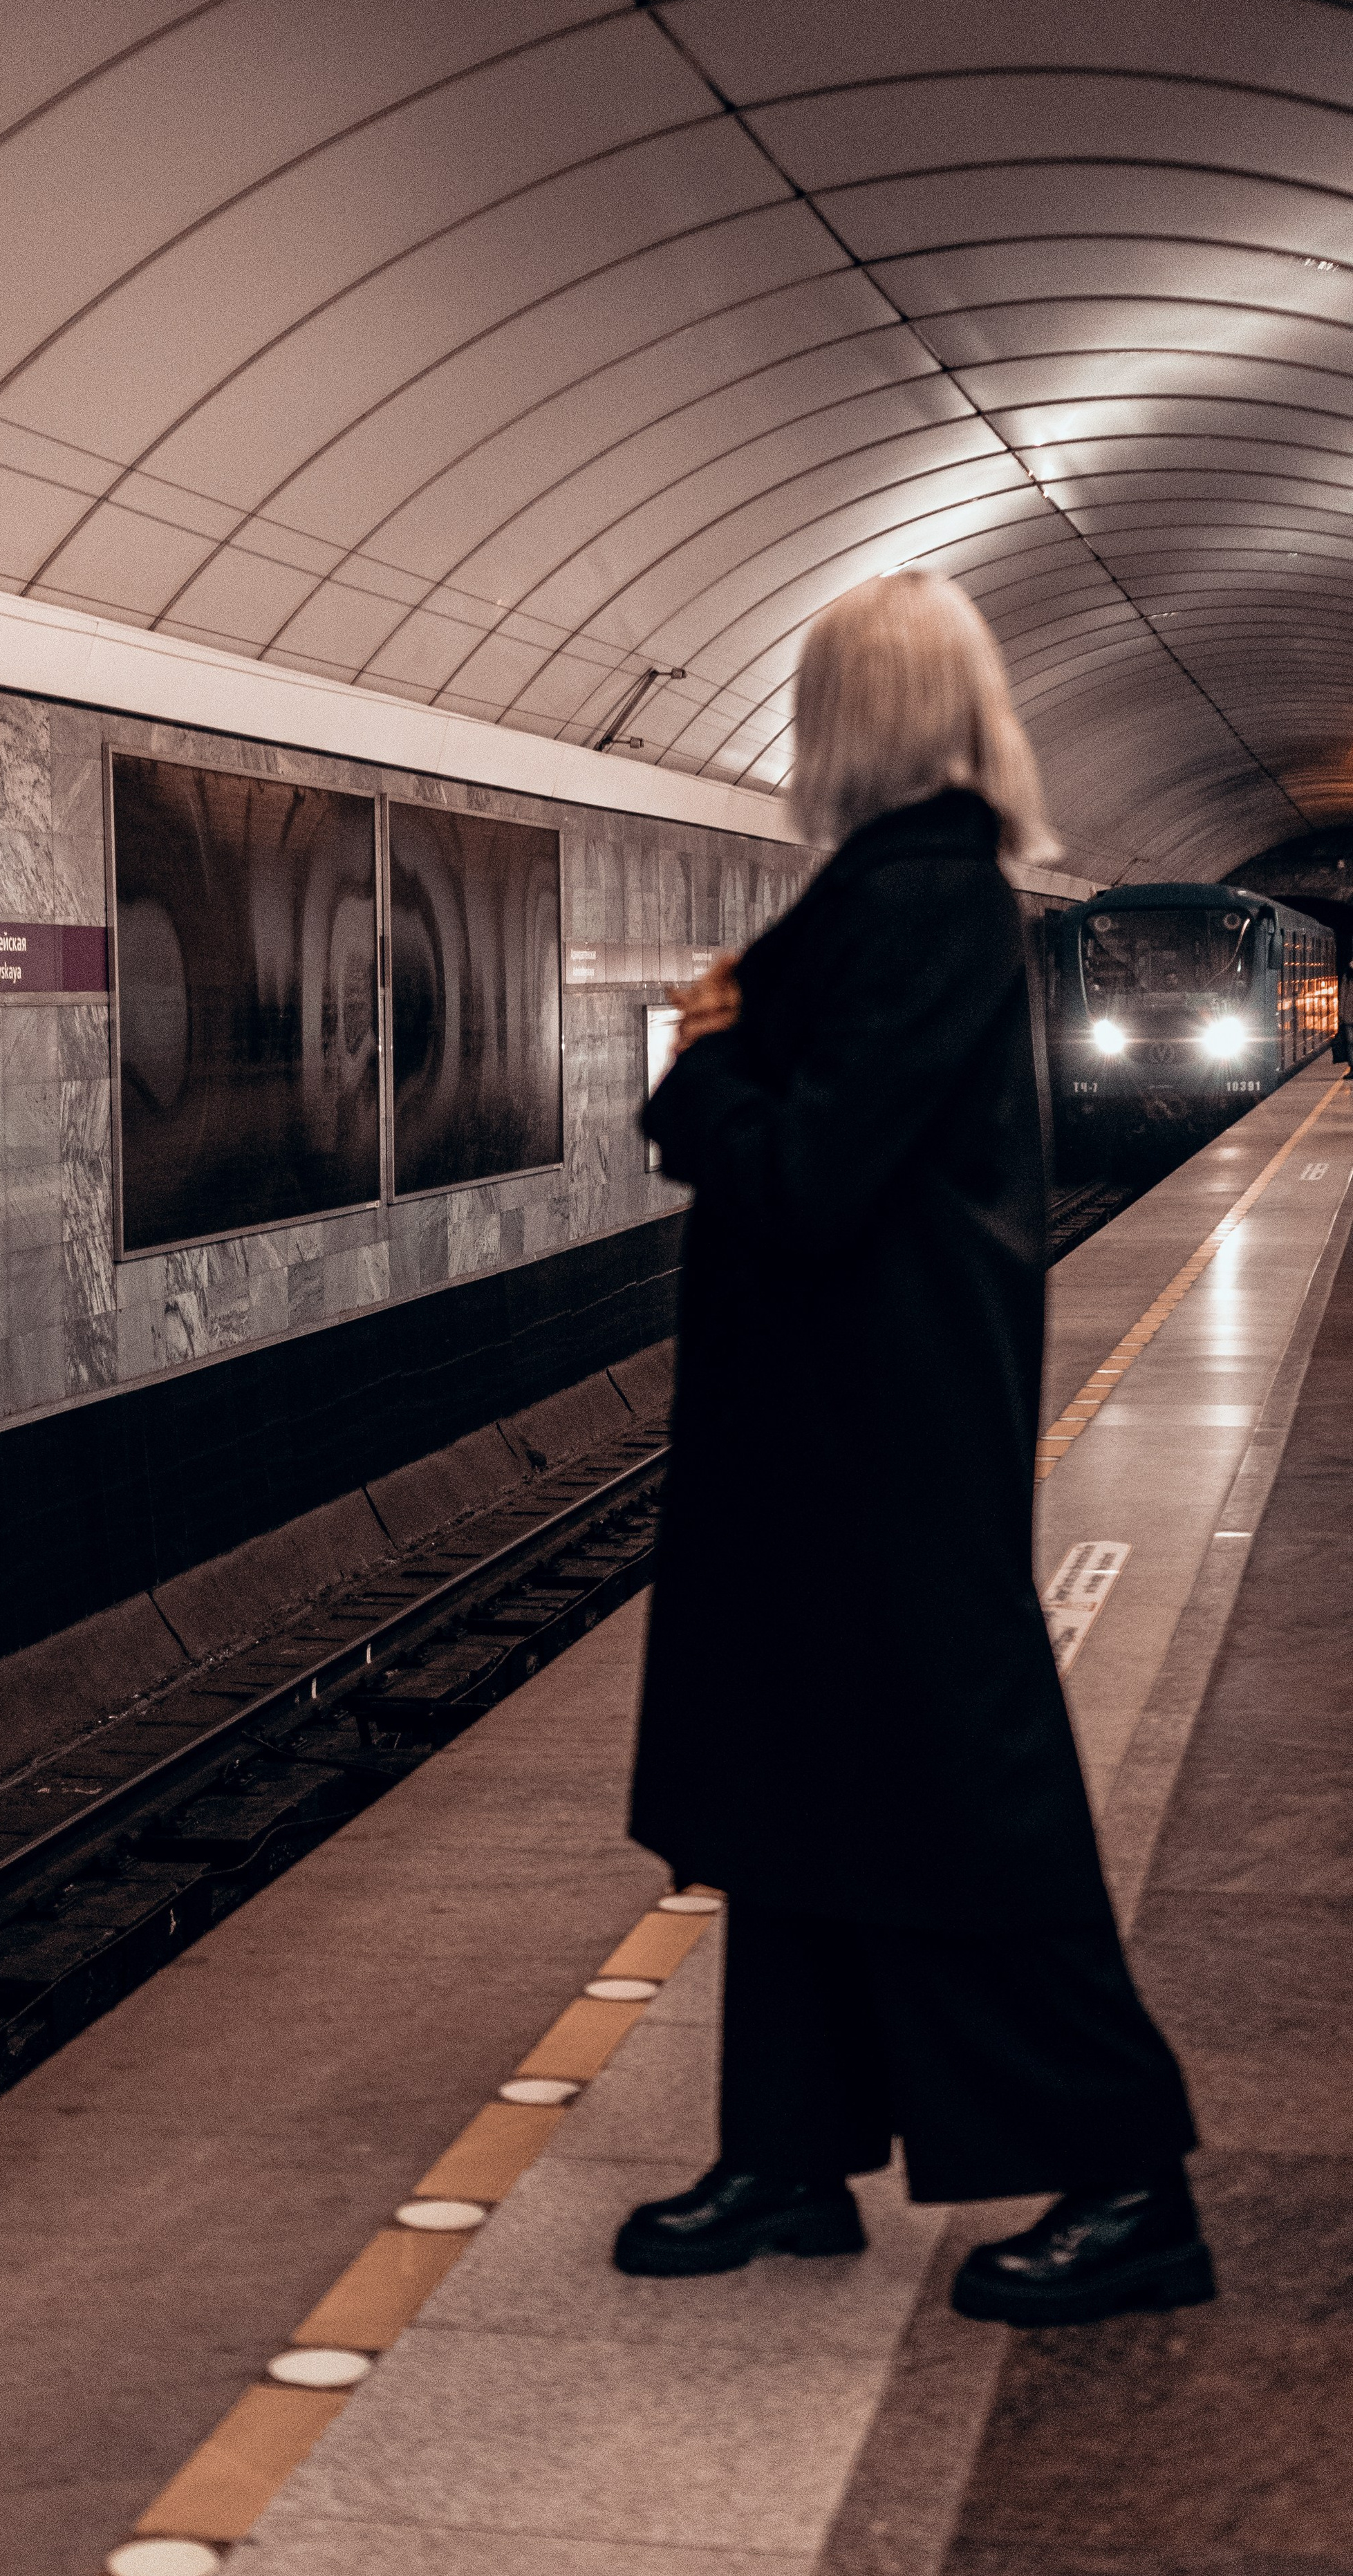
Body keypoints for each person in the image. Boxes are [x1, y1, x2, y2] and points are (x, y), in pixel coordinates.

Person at [617, 569, 1212, 2327]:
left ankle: (1127, 2183)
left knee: (969, 1811)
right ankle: (788, 2158)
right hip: (841, 1451)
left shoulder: (929, 904)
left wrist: (698, 1064)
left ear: (853, 718)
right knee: (807, 1797)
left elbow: (807, 1174)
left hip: (879, 1465)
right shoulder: (893, 897)